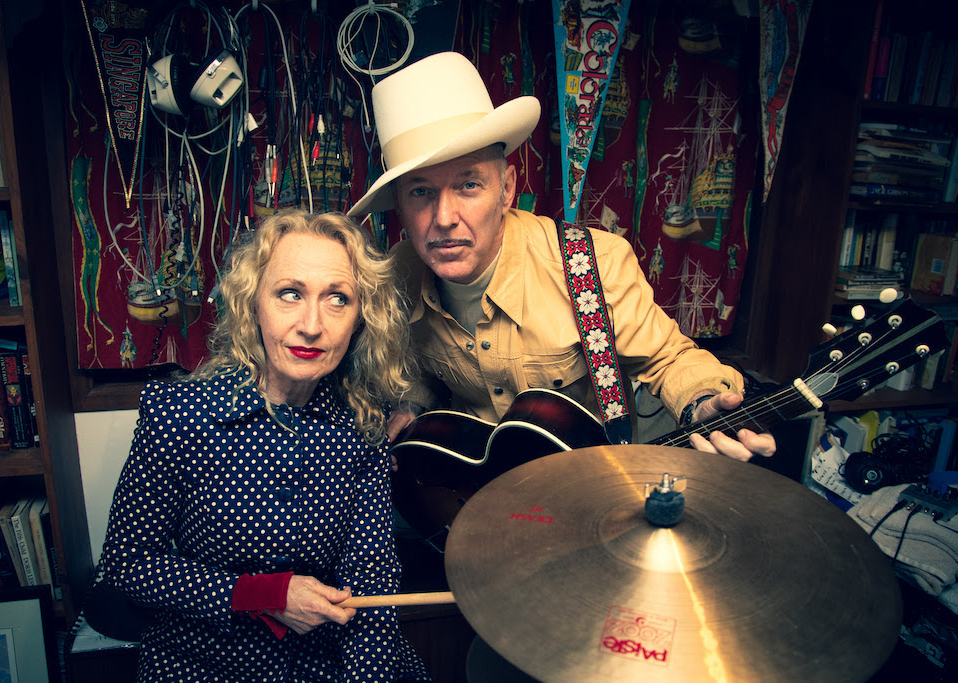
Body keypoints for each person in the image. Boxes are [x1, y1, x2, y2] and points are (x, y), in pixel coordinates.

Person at [347, 51, 776, 462]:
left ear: (507, 189)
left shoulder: (591, 265)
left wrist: (702, 399)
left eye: (468, 185)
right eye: (421, 192)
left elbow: (670, 358)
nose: (444, 218)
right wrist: (414, 405)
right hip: (474, 487)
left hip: (585, 479)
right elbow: (415, 368)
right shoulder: (399, 273)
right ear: (399, 206)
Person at [98, 210, 431, 682]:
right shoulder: (179, 415)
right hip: (203, 662)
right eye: (290, 293)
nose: (311, 325)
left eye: (338, 299)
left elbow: (371, 579)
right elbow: (128, 565)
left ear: (361, 319)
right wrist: (259, 595)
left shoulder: (363, 427)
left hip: (323, 663)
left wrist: (368, 677)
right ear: (252, 302)